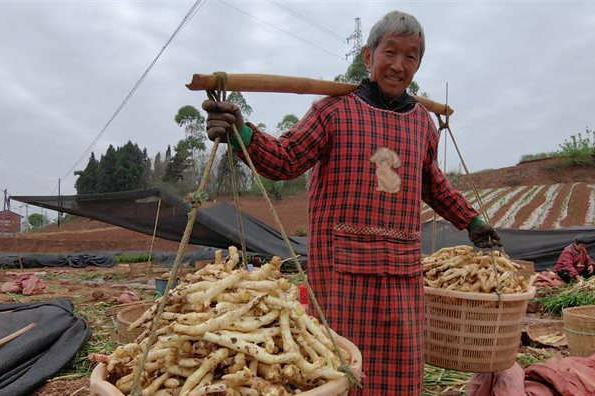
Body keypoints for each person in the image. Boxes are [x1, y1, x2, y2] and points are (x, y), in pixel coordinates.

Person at [202, 10, 501, 395]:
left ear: (418, 65)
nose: (398, 65)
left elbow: (434, 185)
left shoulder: (423, 123)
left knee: (401, 371)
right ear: (368, 56)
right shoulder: (333, 111)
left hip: (401, 272)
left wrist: (473, 222)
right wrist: (240, 131)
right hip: (342, 270)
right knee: (340, 367)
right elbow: (285, 159)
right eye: (389, 52)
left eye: (410, 56)